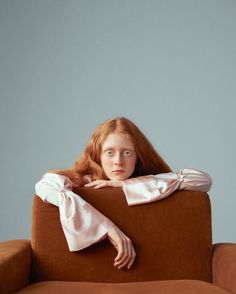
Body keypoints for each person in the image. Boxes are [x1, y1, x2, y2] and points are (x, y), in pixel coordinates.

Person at [35, 117, 212, 271]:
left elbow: (202, 180)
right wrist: (110, 229)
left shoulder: (153, 184)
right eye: (110, 153)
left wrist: (123, 184)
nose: (118, 162)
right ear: (98, 155)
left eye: (127, 153)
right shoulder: (84, 181)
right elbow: (44, 185)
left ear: (138, 156)